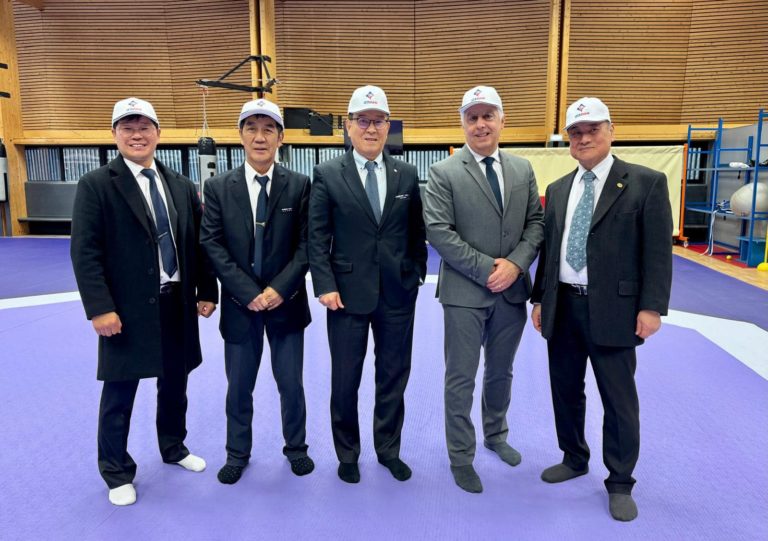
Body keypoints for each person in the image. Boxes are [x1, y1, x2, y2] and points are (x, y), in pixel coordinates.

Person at [70, 97, 218, 506]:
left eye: (144, 127)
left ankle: (173, 447)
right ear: (115, 134)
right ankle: (116, 471)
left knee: (176, 383)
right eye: (127, 128)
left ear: (158, 133)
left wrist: (206, 291)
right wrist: (99, 308)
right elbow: (85, 251)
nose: (137, 135)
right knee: (120, 392)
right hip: (126, 310)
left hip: (176, 303)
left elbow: (197, 244)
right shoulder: (97, 184)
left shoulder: (181, 185)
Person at [531, 97, 673, 521]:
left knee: (619, 399)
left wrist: (652, 307)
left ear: (611, 131)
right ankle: (574, 457)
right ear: (568, 141)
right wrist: (540, 298)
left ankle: (620, 481)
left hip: (615, 310)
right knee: (566, 391)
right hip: (564, 306)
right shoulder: (557, 190)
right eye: (576, 132)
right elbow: (551, 249)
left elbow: (657, 253)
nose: (584, 137)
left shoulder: (645, 182)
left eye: (592, 129)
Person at [423, 86, 544, 493]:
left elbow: (535, 225)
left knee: (501, 372)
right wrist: (488, 269)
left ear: (502, 120)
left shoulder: (523, 169)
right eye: (472, 117)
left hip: (511, 291)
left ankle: (496, 435)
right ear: (463, 123)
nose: (480, 124)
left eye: (487, 115)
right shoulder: (444, 173)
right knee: (461, 377)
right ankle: (461, 456)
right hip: (464, 293)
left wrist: (515, 265)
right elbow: (439, 231)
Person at [308, 85, 427, 484]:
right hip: (344, 295)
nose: (371, 128)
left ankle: (388, 449)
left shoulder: (407, 174)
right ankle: (347, 452)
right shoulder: (326, 173)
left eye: (378, 121)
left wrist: (415, 276)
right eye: (363, 120)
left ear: (388, 125)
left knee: (393, 376)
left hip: (397, 295)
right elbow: (316, 235)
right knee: (346, 378)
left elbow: (416, 233)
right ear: (349, 125)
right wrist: (324, 284)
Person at [200, 98, 314, 484]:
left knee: (291, 384)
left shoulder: (299, 186)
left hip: (287, 303)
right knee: (239, 387)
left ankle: (296, 448)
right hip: (239, 304)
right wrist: (248, 292)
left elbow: (307, 245)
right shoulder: (217, 187)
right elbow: (212, 243)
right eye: (252, 128)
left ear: (281, 137)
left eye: (268, 129)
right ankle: (237, 452)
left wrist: (279, 289)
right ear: (240, 135)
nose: (260, 137)